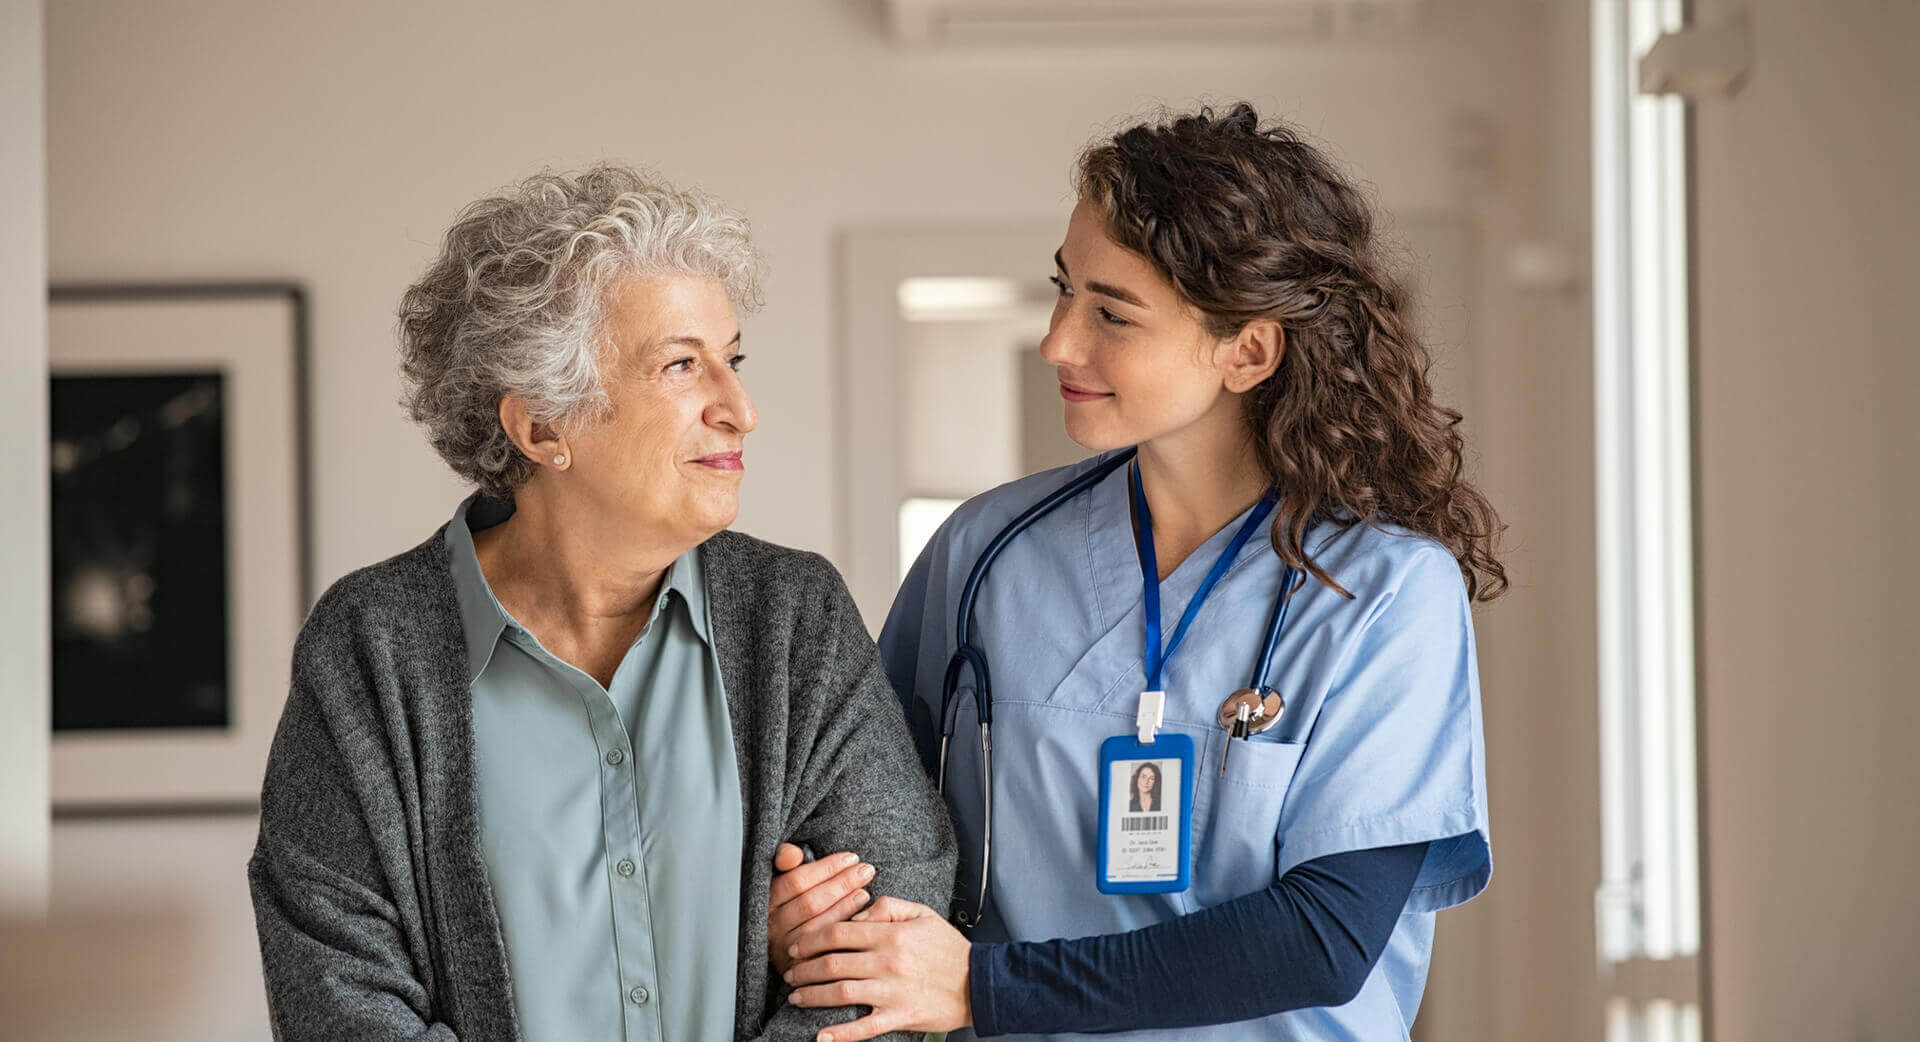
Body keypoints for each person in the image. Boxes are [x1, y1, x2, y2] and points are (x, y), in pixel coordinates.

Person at [769, 104, 1504, 1041]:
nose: (1058, 342)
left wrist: (987, 989)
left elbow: (1324, 936)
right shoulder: (986, 550)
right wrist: (820, 914)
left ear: (1249, 350)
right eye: (1063, 291)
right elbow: (869, 820)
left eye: (1112, 312)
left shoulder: (1385, 593)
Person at [247, 165, 955, 1042]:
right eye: (681, 366)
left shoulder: (794, 617)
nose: (740, 408)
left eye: (731, 361)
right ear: (543, 428)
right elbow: (338, 996)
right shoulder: (369, 647)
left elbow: (892, 928)